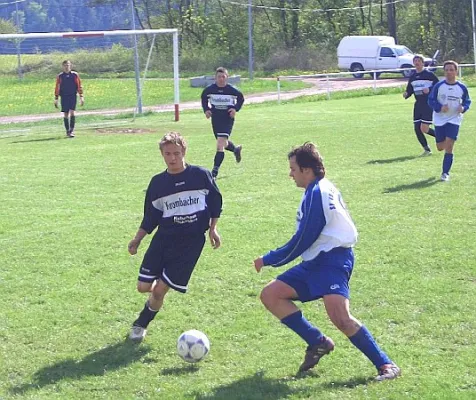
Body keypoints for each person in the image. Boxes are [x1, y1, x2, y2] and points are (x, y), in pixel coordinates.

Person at [253, 142, 400, 381]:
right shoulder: (319, 189)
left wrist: (269, 258)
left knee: (341, 318)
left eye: (293, 168)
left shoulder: (317, 193)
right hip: (316, 261)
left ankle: (386, 365)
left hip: (332, 261)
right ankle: (317, 342)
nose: (290, 174)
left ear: (306, 170)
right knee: (271, 294)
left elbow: (302, 239)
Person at [127, 132, 223, 341]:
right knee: (143, 287)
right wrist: (137, 239)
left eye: (176, 153)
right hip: (163, 241)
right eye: (168, 153)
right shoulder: (158, 183)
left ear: (184, 152)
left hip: (190, 244)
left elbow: (215, 203)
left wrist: (213, 228)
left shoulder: (201, 175)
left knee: (160, 290)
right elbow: (151, 216)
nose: (172, 158)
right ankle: (155, 297)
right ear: (162, 154)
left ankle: (141, 323)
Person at [428, 60, 471, 181]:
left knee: (450, 145)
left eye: (451, 70)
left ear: (456, 71)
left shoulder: (462, 87)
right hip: (439, 119)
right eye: (446, 70)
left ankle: (445, 173)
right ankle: (441, 139)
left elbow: (467, 101)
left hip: (454, 118)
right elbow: (430, 100)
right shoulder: (439, 86)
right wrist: (440, 107)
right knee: (440, 147)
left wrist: (463, 108)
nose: (448, 72)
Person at [201, 67, 245, 179]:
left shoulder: (232, 90)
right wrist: (206, 109)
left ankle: (214, 172)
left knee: (220, 144)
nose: (221, 79)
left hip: (227, 119)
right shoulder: (210, 90)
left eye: (223, 76)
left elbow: (241, 98)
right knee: (223, 143)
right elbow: (203, 98)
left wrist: (235, 109)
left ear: (227, 77)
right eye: (219, 77)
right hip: (216, 119)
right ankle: (235, 149)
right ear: (215, 78)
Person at [403, 54, 440, 156]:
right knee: (417, 128)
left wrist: (430, 89)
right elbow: (409, 90)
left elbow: (438, 86)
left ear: (423, 63)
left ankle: (441, 137)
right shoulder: (413, 77)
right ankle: (427, 149)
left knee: (424, 128)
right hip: (418, 105)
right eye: (415, 61)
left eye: (419, 61)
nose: (417, 63)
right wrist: (406, 94)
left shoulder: (429, 75)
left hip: (427, 104)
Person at [54, 60, 84, 138]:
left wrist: (81, 96)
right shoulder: (60, 76)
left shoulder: (74, 75)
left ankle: (71, 130)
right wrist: (56, 98)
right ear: (63, 66)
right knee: (66, 113)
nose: (67, 67)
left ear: (70, 66)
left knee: (72, 112)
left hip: (73, 96)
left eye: (68, 65)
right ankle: (67, 131)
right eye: (65, 65)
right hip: (64, 96)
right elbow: (57, 87)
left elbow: (79, 85)